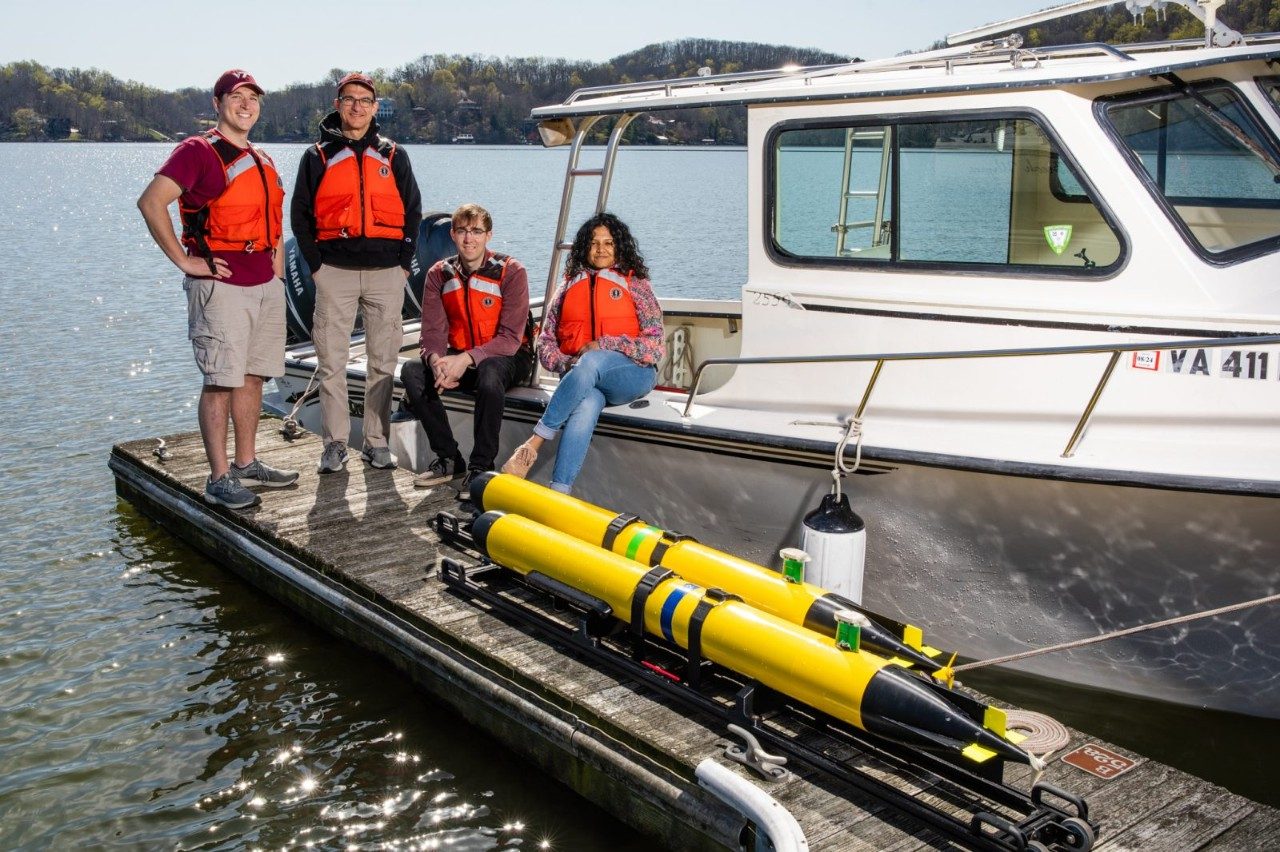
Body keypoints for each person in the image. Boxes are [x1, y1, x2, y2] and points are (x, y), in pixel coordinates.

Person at [137, 69, 298, 509]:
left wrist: (279, 274)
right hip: (220, 285)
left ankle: (247, 463)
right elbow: (151, 202)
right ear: (217, 103)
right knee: (220, 379)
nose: (246, 105)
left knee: (251, 376)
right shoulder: (198, 151)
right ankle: (219, 476)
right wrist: (184, 260)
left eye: (253, 98)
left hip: (264, 282)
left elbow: (274, 224)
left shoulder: (263, 158)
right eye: (237, 97)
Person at [291, 71, 422, 474]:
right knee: (331, 362)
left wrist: (403, 263)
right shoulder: (317, 156)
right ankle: (333, 445)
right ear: (338, 105)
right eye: (350, 99)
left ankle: (376, 442)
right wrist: (316, 267)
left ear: (374, 107)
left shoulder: (394, 154)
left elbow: (413, 211)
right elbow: (299, 216)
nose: (357, 107)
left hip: (386, 274)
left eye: (365, 100)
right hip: (334, 272)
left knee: (383, 363)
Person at [501, 213, 664, 493]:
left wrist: (605, 345)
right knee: (587, 402)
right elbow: (547, 343)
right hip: (584, 378)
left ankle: (534, 443)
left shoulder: (636, 285)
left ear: (620, 246)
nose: (601, 249)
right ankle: (559, 491)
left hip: (632, 375)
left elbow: (655, 346)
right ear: (583, 248)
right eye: (594, 243)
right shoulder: (567, 287)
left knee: (593, 360)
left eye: (609, 243)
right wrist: (569, 363)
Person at [402, 204, 532, 496]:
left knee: (489, 372)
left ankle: (480, 468)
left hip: (509, 357)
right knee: (412, 371)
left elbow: (511, 338)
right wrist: (437, 362)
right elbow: (432, 332)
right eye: (462, 231)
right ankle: (449, 458)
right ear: (453, 234)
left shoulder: (511, 271)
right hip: (462, 354)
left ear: (488, 236)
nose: (468, 239)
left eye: (476, 231)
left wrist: (465, 359)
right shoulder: (439, 273)